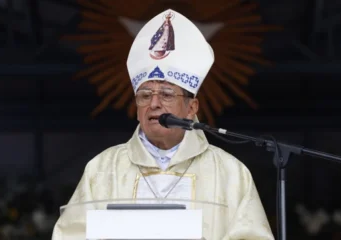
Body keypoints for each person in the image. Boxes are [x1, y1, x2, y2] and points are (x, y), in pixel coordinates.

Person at [52, 9, 274, 240]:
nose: (154, 103)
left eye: (167, 94)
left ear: (192, 108)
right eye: (145, 95)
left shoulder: (230, 173)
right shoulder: (102, 170)